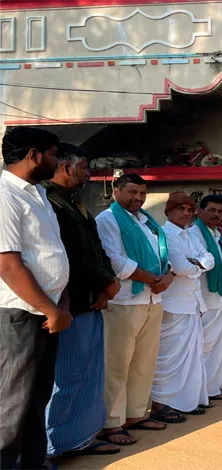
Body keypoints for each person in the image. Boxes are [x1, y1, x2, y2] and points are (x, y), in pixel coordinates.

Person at [0, 128, 71, 469]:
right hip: (20, 313)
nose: (57, 162)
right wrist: (50, 309)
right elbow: (7, 264)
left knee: (36, 397)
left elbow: (50, 252)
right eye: (54, 154)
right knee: (11, 402)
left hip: (47, 311)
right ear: (33, 155)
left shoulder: (39, 194)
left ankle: (32, 463)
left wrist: (61, 301)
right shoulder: (5, 196)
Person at [44, 144, 121, 457]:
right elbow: (71, 257)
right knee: (65, 378)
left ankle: (79, 437)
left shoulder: (74, 202)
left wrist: (107, 285)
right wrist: (106, 281)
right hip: (69, 303)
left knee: (89, 374)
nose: (88, 173)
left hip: (91, 300)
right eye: (84, 167)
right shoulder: (49, 202)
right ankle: (50, 445)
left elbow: (97, 251)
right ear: (66, 167)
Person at [96, 173, 174, 445]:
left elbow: (162, 257)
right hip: (125, 300)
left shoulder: (147, 221)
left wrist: (167, 277)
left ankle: (136, 414)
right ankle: (111, 423)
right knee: (117, 364)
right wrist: (153, 279)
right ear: (116, 190)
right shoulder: (107, 219)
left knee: (144, 363)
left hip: (151, 299)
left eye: (142, 193)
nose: (138, 198)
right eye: (132, 192)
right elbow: (115, 260)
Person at [151, 192, 214, 421]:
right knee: (168, 356)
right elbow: (178, 267)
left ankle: (184, 402)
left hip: (192, 302)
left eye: (189, 210)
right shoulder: (165, 234)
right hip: (174, 303)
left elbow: (209, 258)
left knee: (191, 357)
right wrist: (197, 266)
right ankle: (160, 403)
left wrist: (197, 265)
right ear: (168, 211)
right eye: (180, 209)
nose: (186, 214)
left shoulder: (190, 234)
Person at [190, 195, 222, 400]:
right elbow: (195, 263)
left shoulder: (216, 234)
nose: (216, 215)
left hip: (220, 295)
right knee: (205, 344)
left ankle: (212, 388)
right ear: (200, 212)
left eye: (220, 211)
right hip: (205, 296)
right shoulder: (194, 233)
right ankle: (199, 392)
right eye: (212, 210)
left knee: (218, 344)